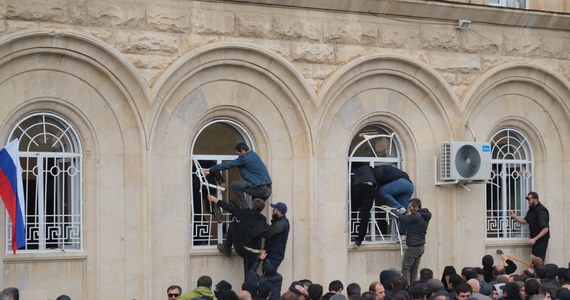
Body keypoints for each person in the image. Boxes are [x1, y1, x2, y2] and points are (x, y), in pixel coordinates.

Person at [208, 194, 267, 277]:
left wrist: (215, 200)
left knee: (233, 224)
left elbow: (231, 209)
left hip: (243, 249)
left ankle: (226, 249)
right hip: (255, 251)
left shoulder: (245, 213)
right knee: (250, 274)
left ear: (252, 205)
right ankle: (251, 288)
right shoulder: (263, 219)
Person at [205, 143, 272, 209]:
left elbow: (229, 164)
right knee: (255, 210)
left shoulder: (245, 157)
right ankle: (250, 215)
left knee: (235, 184)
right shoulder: (253, 155)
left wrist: (210, 169)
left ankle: (245, 209)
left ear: (242, 151)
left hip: (261, 188)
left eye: (238, 154)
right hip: (267, 189)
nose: (238, 156)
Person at [391, 198, 431, 286]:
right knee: (414, 269)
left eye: (410, 207)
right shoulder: (424, 215)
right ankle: (413, 287)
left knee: (406, 269)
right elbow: (408, 218)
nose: (409, 209)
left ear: (416, 207)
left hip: (413, 247)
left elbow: (403, 219)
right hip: (420, 247)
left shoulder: (417, 216)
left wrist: (393, 211)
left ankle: (405, 288)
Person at [373, 165, 414, 237]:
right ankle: (402, 234)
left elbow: (379, 184)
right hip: (410, 186)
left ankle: (398, 206)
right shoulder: (386, 170)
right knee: (403, 213)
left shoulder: (376, 171)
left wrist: (376, 190)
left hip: (402, 183)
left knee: (382, 191)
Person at [508, 191, 550, 261]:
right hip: (535, 240)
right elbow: (525, 221)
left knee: (538, 261)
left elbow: (545, 229)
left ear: (535, 199)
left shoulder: (541, 211)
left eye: (529, 199)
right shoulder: (531, 210)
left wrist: (534, 239)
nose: (528, 201)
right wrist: (514, 216)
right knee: (534, 261)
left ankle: (540, 272)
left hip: (541, 241)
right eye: (527, 199)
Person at [350, 164, 377, 247]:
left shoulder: (353, 170)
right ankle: (359, 240)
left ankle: (353, 234)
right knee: (365, 215)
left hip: (359, 187)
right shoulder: (371, 170)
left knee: (353, 210)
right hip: (370, 188)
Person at [263, 201, 290, 270]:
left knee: (268, 278)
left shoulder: (280, 224)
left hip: (273, 256)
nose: (272, 211)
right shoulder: (282, 222)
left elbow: (267, 234)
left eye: (274, 209)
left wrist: (261, 224)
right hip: (274, 255)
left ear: (279, 212)